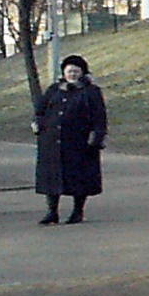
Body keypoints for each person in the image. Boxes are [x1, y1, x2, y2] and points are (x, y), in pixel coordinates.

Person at [32, 54, 107, 225]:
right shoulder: (54, 90)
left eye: (76, 71)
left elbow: (99, 116)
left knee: (79, 178)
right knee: (52, 178)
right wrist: (38, 124)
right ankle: (52, 212)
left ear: (82, 73)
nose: (72, 74)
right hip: (52, 142)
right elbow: (40, 110)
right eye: (69, 71)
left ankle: (77, 211)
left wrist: (97, 137)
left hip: (79, 143)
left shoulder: (91, 92)